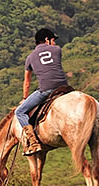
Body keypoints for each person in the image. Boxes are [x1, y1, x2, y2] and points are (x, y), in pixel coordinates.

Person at [15, 28, 69, 156]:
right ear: (46, 40)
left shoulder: (30, 58)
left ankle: (33, 143)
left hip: (46, 89)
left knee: (20, 111)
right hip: (64, 87)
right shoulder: (57, 50)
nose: (54, 43)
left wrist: (24, 98)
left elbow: (27, 82)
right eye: (53, 40)